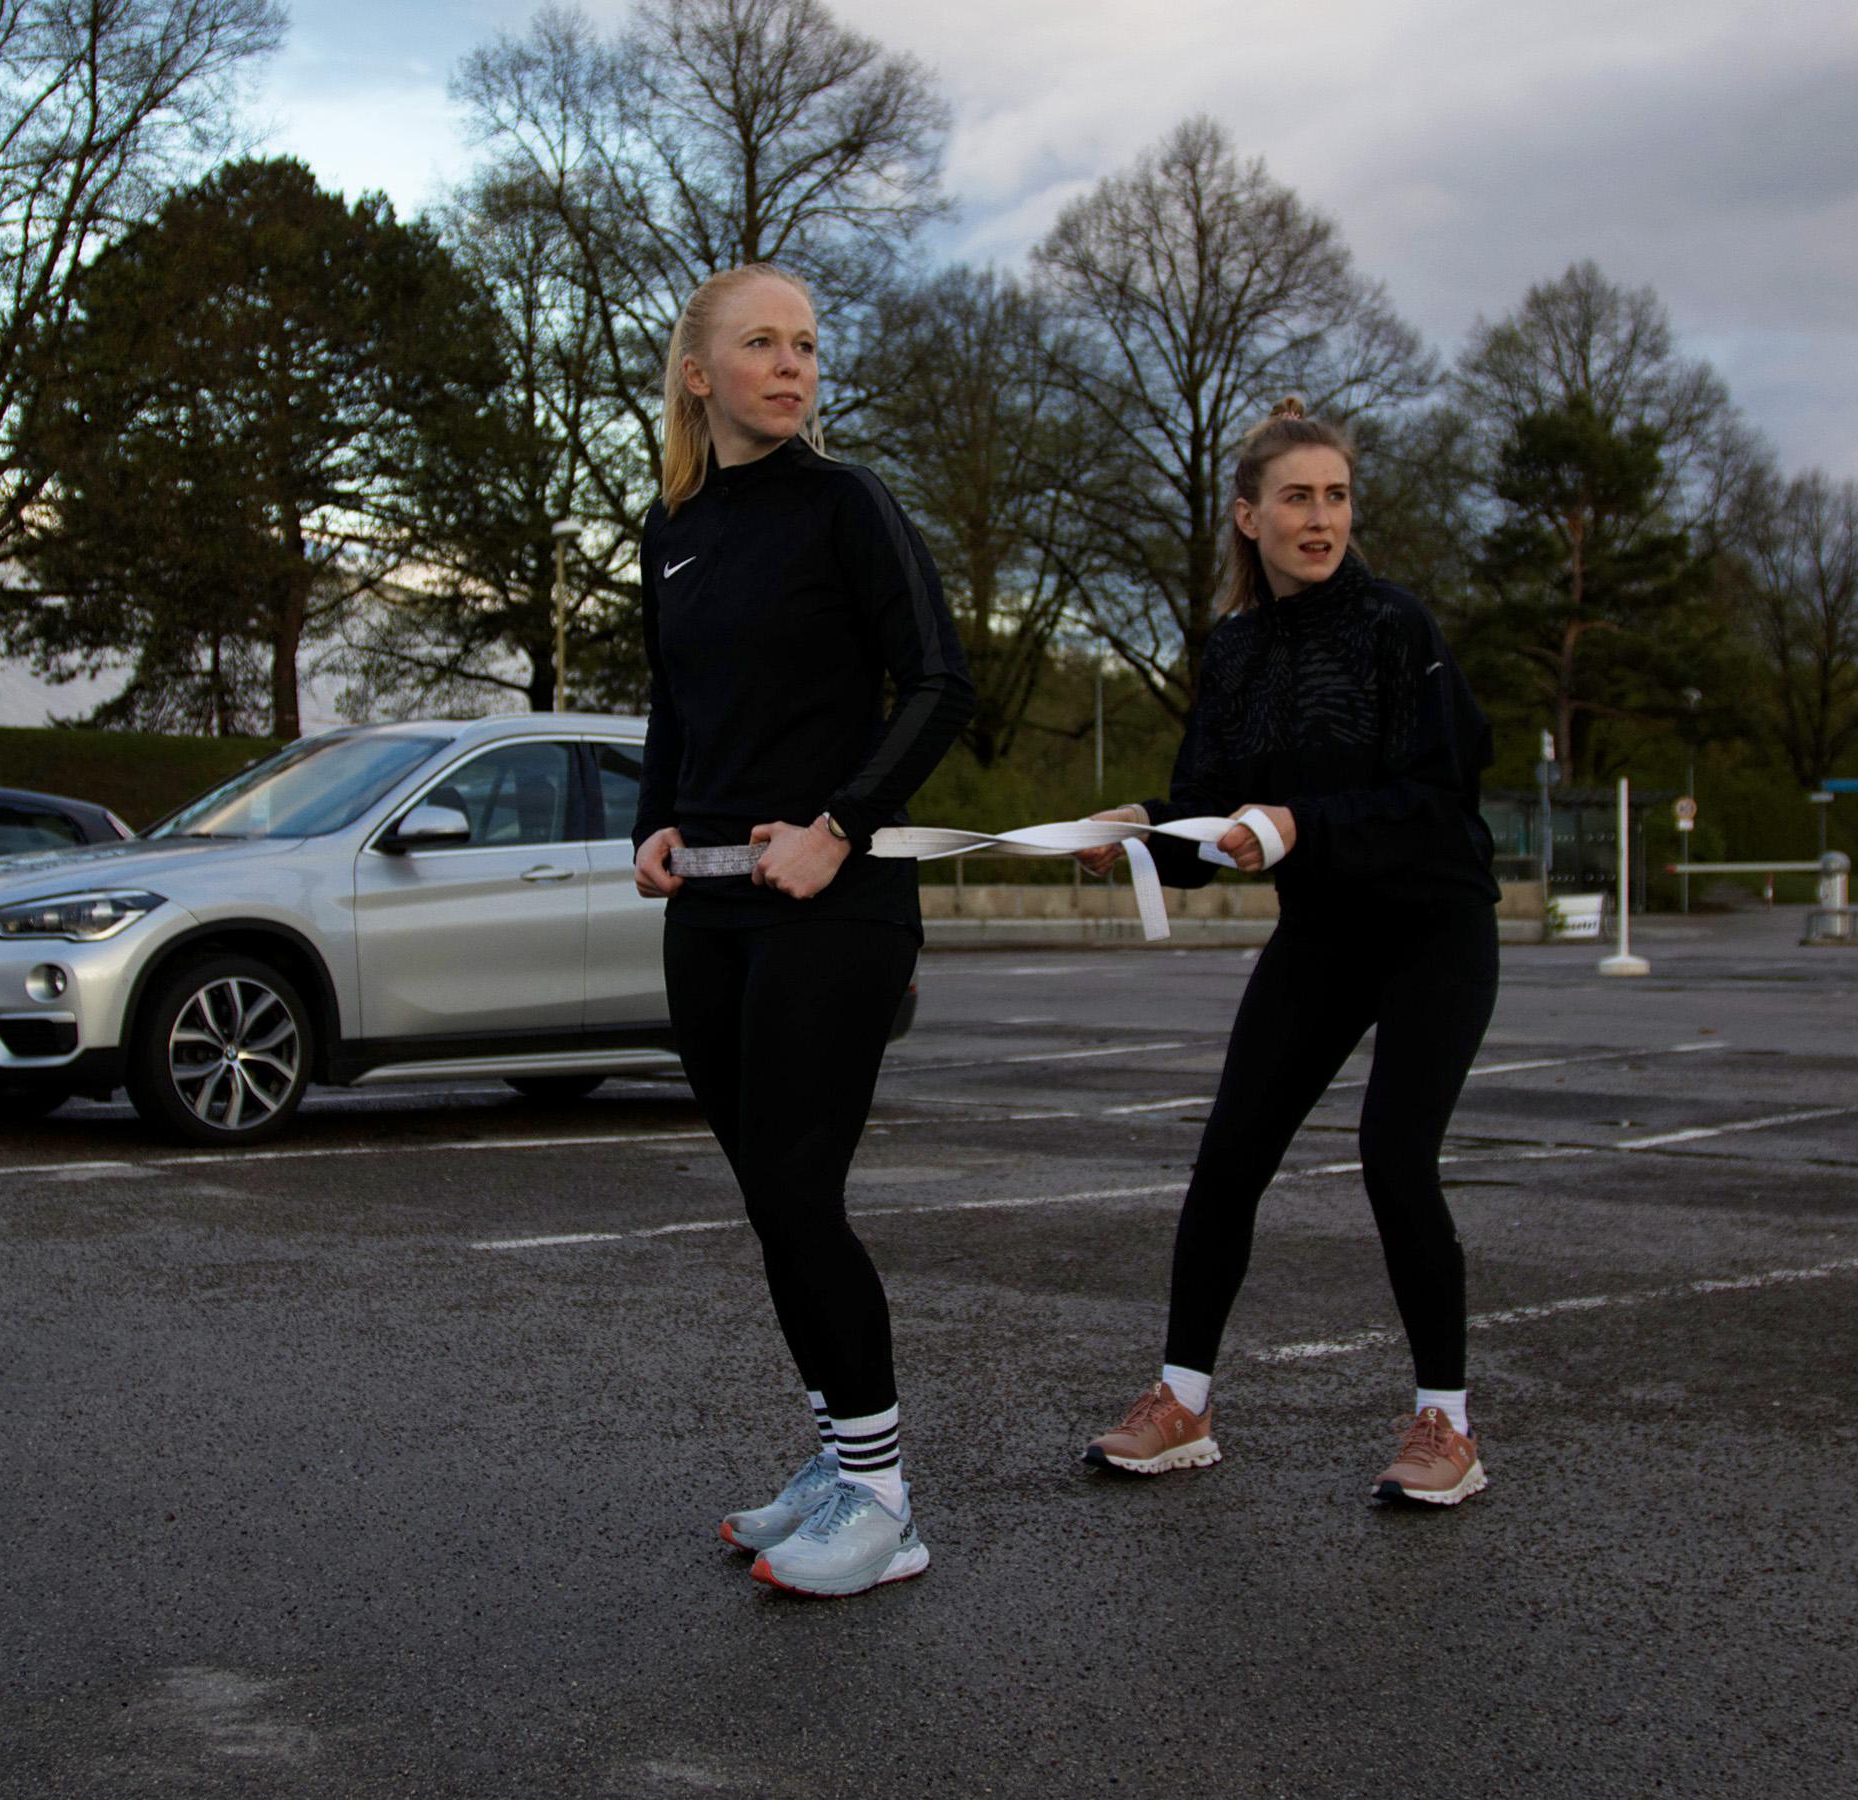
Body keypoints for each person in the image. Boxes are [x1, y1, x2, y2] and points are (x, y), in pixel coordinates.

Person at [1077, 396, 1502, 1506]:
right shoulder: (1234, 651)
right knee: (1229, 1157)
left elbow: (1436, 795)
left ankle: (1446, 1427)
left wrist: (1300, 826)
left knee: (1393, 1155)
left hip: (1433, 924)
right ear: (1247, 518)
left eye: (1337, 497)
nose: (1322, 519)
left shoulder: (1394, 626)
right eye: (1298, 499)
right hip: (1324, 932)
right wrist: (1137, 838)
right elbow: (1218, 815)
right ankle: (1180, 1404)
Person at [631, 263, 974, 1594]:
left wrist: (842, 824)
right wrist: (654, 822)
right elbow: (676, 700)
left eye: (809, 347)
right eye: (762, 344)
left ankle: (884, 1504)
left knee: (795, 1186)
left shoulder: (848, 503)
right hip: (710, 908)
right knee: (771, 1201)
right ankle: (842, 1457)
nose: (793, 366)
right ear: (699, 374)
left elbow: (940, 682)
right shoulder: (671, 529)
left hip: (838, 903)